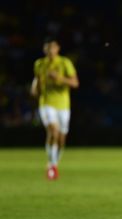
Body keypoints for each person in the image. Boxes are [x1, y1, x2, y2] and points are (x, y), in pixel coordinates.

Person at [31, 37, 79, 180]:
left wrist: (59, 77)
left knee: (62, 139)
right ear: (44, 49)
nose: (50, 50)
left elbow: (75, 83)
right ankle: (52, 166)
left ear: (57, 48)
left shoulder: (65, 63)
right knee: (53, 131)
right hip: (46, 103)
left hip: (63, 105)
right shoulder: (39, 64)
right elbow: (35, 89)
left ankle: (54, 163)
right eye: (47, 48)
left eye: (52, 47)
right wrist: (36, 86)